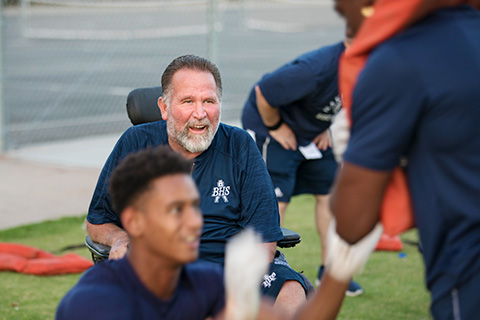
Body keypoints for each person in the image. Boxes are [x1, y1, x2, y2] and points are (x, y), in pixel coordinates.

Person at [85, 54, 308, 317]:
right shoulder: (135, 144)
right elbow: (97, 221)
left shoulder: (240, 146)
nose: (200, 114)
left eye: (209, 101)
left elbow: (265, 240)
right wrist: (120, 238)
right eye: (188, 101)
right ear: (165, 107)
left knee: (291, 292)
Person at [329, 0, 480, 319]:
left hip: (467, 274)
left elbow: (352, 222)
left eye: (346, 12)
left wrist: (354, 150)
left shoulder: (401, 60)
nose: (348, 26)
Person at [241, 41, 363, 296]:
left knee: (330, 196)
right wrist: (275, 128)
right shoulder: (316, 69)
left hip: (311, 134)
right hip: (271, 127)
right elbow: (265, 92)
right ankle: (265, 273)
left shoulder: (369, 69)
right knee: (275, 201)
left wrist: (323, 126)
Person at [56, 146, 225, 319]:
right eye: (176, 210)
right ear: (134, 222)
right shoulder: (93, 304)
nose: (196, 222)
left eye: (195, 206)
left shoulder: (210, 281)